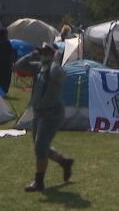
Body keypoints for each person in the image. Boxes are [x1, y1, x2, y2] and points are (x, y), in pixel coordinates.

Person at [13, 43, 74, 192]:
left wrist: (55, 58)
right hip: (39, 112)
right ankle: (64, 161)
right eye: (43, 51)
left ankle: (39, 182)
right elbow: (18, 66)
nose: (44, 54)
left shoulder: (58, 69)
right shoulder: (39, 67)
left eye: (47, 52)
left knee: (40, 145)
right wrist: (33, 54)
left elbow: (55, 73)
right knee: (40, 146)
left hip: (52, 113)